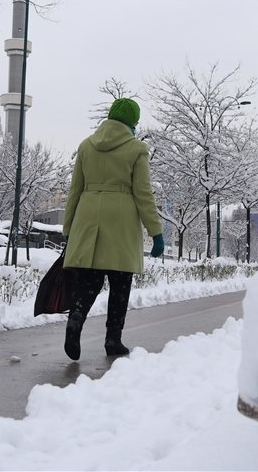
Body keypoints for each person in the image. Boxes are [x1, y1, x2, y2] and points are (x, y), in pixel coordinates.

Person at [61, 98, 164, 361]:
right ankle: (112, 339)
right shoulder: (137, 149)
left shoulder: (86, 145)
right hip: (121, 221)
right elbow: (143, 193)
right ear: (132, 121)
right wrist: (156, 231)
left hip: (88, 217)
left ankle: (76, 319)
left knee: (89, 280)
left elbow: (74, 191)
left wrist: (69, 228)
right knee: (120, 283)